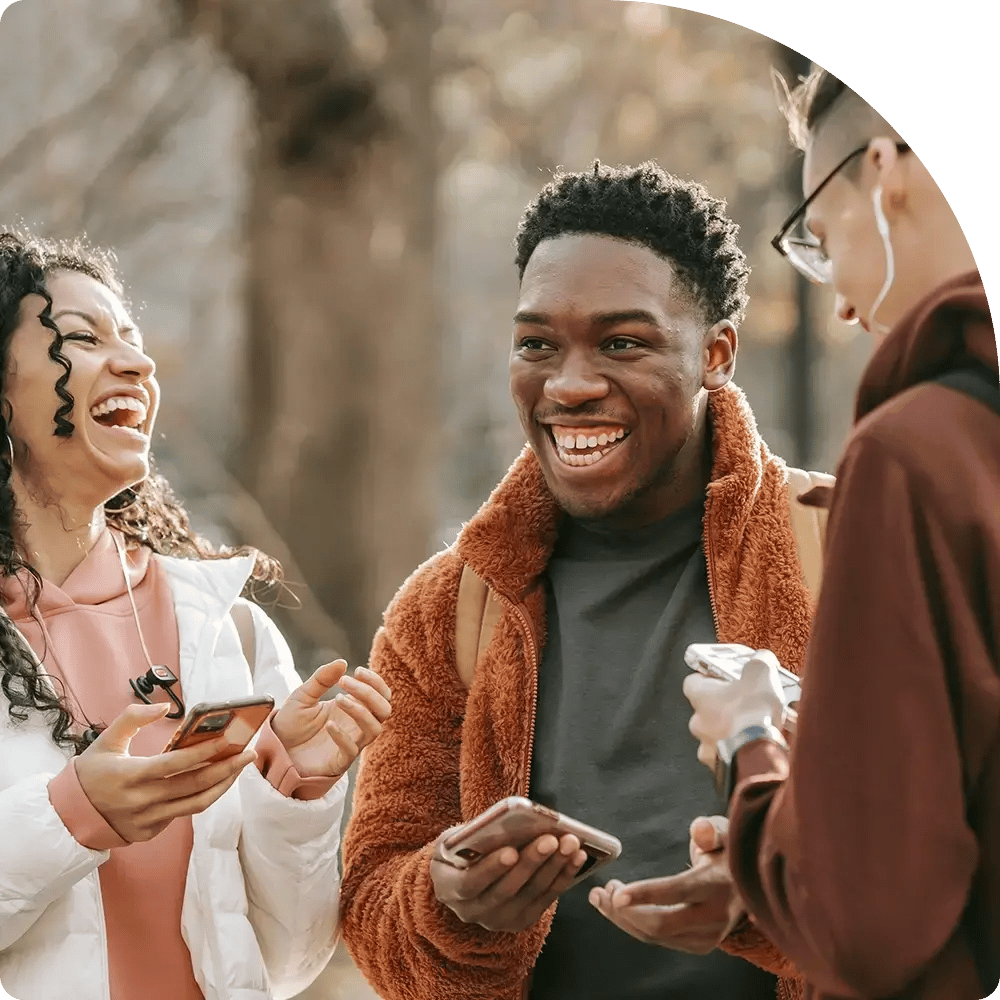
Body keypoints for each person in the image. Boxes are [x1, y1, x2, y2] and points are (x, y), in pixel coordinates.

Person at [340, 161, 825, 1000]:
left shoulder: (848, 550)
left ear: (716, 354)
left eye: (622, 343)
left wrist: (769, 894)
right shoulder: (446, 610)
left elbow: (945, 873)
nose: (568, 385)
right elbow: (374, 905)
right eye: (537, 343)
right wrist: (451, 901)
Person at [653, 67, 998, 1000]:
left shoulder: (915, 455)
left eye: (819, 231)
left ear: (886, 172)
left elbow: (872, 922)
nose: (840, 302)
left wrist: (752, 743)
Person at [0, 230, 392, 1000]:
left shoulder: (231, 631)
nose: (139, 366)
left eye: (134, 342)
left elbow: (288, 959)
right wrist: (76, 814)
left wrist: (294, 791)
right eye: (77, 338)